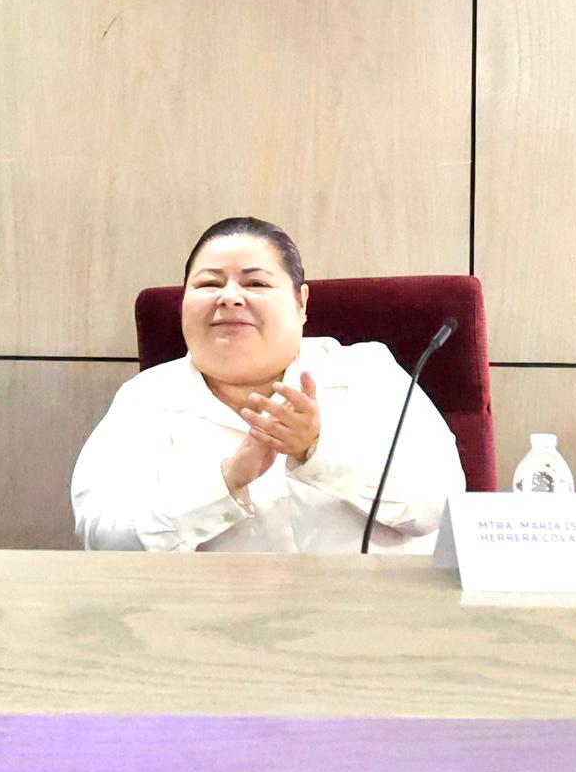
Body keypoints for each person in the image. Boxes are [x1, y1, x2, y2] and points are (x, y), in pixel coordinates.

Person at [71, 215, 461, 553]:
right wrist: (225, 483)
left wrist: (317, 450)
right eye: (208, 284)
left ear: (301, 303)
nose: (229, 298)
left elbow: (443, 508)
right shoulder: (147, 398)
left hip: (371, 609)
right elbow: (101, 538)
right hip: (208, 613)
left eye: (255, 283)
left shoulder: (366, 372)